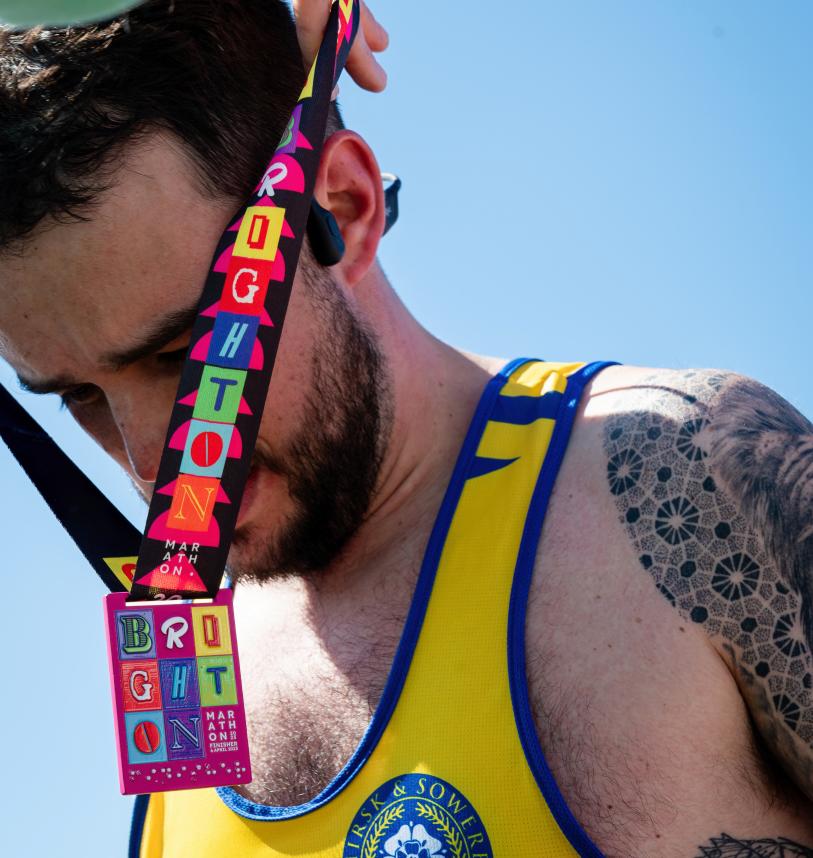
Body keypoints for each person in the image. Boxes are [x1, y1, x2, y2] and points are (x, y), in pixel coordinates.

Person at [1, 1, 812, 856]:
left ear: (343, 209)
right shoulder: (178, 650)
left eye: (187, 355)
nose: (147, 465)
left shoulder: (681, 474)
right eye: (78, 395)